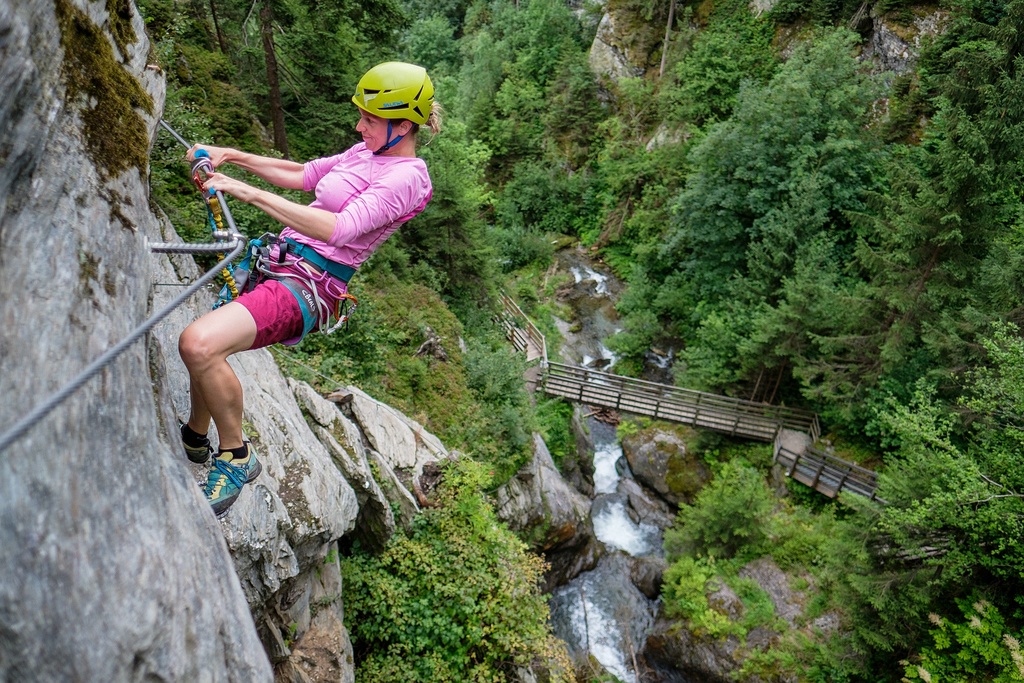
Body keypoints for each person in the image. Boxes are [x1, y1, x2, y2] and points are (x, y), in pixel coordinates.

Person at [178, 61, 441, 516]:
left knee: (199, 344)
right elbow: (303, 174)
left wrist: (246, 191)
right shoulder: (365, 151)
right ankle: (197, 435)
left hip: (310, 286)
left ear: (403, 126)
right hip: (280, 263)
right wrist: (231, 155)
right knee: (207, 344)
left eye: (370, 119)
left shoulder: (407, 178)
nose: (359, 126)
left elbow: (339, 228)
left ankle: (236, 456)